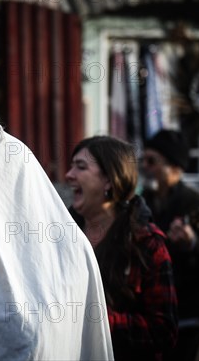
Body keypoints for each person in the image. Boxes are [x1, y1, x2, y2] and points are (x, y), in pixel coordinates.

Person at [66, 135, 178, 360]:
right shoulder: (61, 235)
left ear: (109, 179)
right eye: (71, 166)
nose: (69, 175)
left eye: (81, 167)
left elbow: (164, 332)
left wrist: (99, 320)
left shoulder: (147, 244)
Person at [141, 129, 199, 361]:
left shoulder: (195, 202)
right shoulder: (143, 201)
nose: (145, 166)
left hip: (186, 311)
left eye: (152, 161)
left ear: (175, 168)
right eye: (143, 160)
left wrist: (192, 242)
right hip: (150, 309)